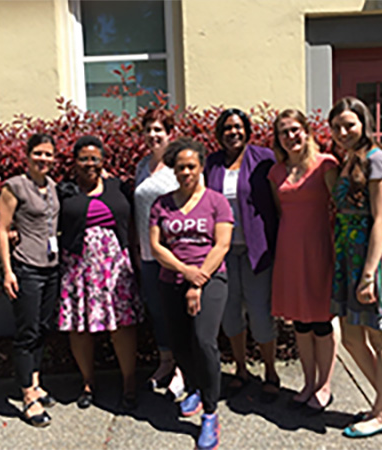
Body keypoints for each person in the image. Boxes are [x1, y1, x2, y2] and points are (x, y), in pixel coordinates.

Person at [149, 137, 233, 450]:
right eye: (180, 167)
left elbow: (221, 244)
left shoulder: (216, 201)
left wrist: (198, 282)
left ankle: (210, 412)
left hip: (210, 279)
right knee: (179, 342)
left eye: (191, 166)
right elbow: (157, 246)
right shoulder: (162, 204)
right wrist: (185, 273)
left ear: (201, 167)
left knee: (204, 340)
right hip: (171, 280)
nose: (185, 172)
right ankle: (195, 387)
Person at [328, 97, 382, 438]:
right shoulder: (347, 160)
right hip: (347, 252)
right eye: (337, 126)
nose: (343, 132)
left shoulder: (376, 159)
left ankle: (381, 412)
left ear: (364, 124)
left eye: (349, 125)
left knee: (381, 337)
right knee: (352, 338)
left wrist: (369, 273)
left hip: (369, 256)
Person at [57, 136, 143, 411]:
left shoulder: (118, 186)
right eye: (84, 158)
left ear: (103, 161)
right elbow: (41, 216)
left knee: (123, 325)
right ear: (74, 162)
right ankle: (87, 382)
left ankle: (129, 381)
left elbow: (138, 215)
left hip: (116, 265)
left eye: (95, 158)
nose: (90, 164)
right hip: (78, 265)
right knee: (80, 328)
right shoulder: (64, 191)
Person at [204, 108, 280, 402]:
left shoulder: (264, 159)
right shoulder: (211, 163)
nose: (233, 132)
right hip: (222, 252)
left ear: (247, 130)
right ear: (219, 133)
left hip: (256, 250)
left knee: (260, 312)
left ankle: (271, 371)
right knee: (230, 313)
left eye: (238, 127)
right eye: (227, 128)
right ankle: (240, 369)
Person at [268, 109, 339, 413]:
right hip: (290, 252)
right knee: (300, 322)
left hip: (320, 249)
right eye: (284, 132)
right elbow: (281, 212)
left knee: (321, 320)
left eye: (295, 129)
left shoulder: (326, 165)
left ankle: (325, 385)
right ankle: (308, 382)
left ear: (307, 131)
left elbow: (339, 208)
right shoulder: (276, 172)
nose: (290, 136)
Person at [0, 133, 60, 427]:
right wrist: (8, 271)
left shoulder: (54, 187)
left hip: (51, 267)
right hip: (26, 268)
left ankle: (35, 383)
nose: (43, 159)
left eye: (48, 154)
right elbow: (2, 228)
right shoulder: (15, 186)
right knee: (27, 332)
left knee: (43, 328)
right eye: (38, 153)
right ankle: (27, 397)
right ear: (27, 155)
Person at [133, 108, 184, 394]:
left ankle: (181, 367)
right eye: (148, 130)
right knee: (156, 310)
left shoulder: (177, 167)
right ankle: (165, 361)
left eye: (158, 130)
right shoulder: (141, 167)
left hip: (173, 254)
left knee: (175, 310)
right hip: (146, 253)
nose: (153, 135)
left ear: (169, 134)